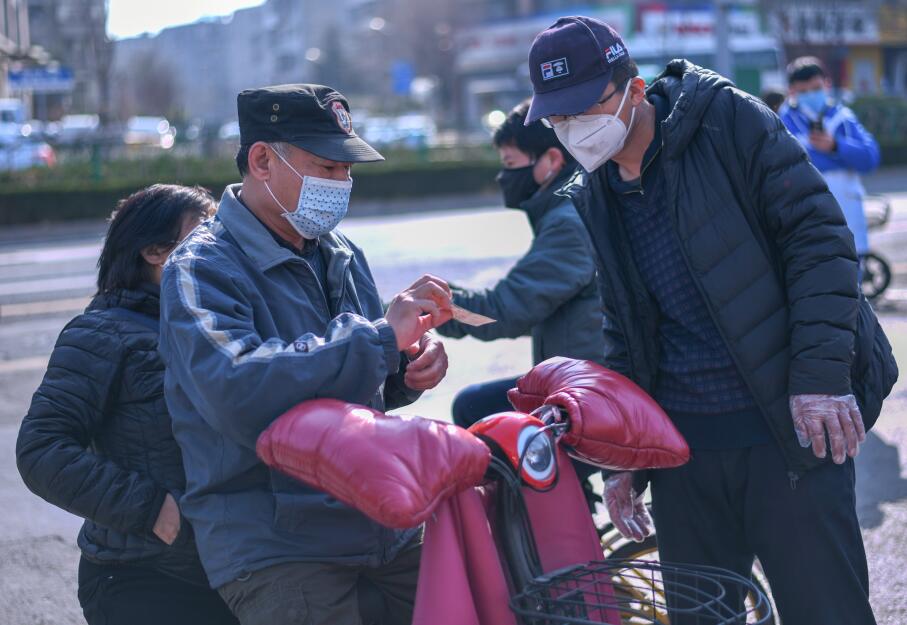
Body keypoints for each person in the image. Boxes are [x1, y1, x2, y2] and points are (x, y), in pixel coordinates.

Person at [525, 16, 897, 625]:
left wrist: (821, 379)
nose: (572, 131)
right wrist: (629, 453)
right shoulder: (593, 193)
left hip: (788, 434)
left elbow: (820, 241)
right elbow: (625, 326)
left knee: (826, 610)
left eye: (582, 111)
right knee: (704, 616)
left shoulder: (725, 119)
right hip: (687, 452)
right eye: (557, 119)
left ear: (634, 90)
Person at [157, 84, 453, 625]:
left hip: (378, 517)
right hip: (275, 542)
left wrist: (408, 366)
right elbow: (238, 389)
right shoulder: (200, 268)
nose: (341, 184)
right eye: (326, 168)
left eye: (347, 171)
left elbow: (362, 380)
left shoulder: (339, 251)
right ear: (263, 161)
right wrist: (379, 340)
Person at [16, 185, 237, 625]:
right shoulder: (103, 333)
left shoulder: (211, 325)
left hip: (225, 570)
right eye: (204, 238)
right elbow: (41, 448)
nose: (219, 251)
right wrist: (149, 507)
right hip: (143, 578)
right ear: (155, 251)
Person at [435, 98, 604, 428]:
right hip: (581, 382)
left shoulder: (567, 223)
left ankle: (563, 480)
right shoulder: (576, 204)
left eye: (511, 163)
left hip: (587, 396)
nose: (504, 176)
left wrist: (437, 308)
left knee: (474, 408)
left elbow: (503, 314)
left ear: (552, 160)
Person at [779, 56, 881, 258]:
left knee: (853, 282)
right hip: (807, 221)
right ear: (792, 91)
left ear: (827, 84)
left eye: (816, 89)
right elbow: (794, 163)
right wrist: (842, 157)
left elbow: (870, 158)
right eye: (803, 91)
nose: (811, 95)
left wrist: (835, 146)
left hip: (849, 216)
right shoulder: (783, 121)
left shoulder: (843, 117)